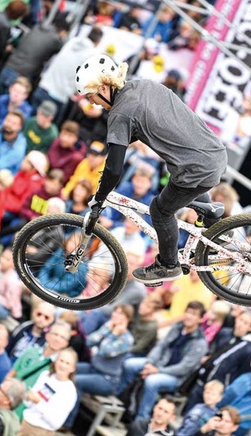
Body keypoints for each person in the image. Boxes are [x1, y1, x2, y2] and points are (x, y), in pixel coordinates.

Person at [76, 54, 227, 284]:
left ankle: (168, 265)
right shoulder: (144, 85)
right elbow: (154, 122)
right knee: (182, 189)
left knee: (160, 210)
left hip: (195, 169)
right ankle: (218, 227)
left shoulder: (120, 113)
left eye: (91, 96)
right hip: (215, 154)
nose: (92, 102)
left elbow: (115, 170)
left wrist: (100, 196)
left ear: (104, 88)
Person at [118, 301, 208, 420]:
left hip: (176, 378)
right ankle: (120, 402)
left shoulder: (200, 343)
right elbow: (160, 346)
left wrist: (157, 370)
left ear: (200, 319)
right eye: (188, 312)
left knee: (152, 382)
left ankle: (141, 419)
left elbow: (184, 368)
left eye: (194, 314)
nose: (189, 316)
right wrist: (149, 363)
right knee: (129, 364)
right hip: (158, 365)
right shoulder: (177, 327)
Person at [65, 305, 135, 428]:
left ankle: (67, 423)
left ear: (127, 319)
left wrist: (113, 334)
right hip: (93, 368)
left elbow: (104, 350)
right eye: (115, 312)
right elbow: (89, 341)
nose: (115, 316)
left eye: (120, 314)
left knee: (76, 382)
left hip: (107, 379)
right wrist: (106, 330)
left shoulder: (127, 339)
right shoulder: (108, 328)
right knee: (67, 368)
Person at [184, 311, 251, 411]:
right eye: (241, 320)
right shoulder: (224, 333)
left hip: (218, 388)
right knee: (190, 409)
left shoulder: (248, 349)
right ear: (236, 319)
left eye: (246, 323)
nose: (241, 324)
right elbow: (213, 348)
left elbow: (242, 371)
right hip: (203, 379)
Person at [34, 27, 104, 117]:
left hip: (43, 86)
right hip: (58, 96)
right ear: (98, 42)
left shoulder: (72, 41)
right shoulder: (92, 54)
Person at [19, 348, 79, 435]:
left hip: (42, 431)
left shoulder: (69, 391)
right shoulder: (45, 375)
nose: (63, 365)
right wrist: (28, 398)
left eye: (67, 363)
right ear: (55, 361)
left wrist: (39, 402)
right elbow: (29, 403)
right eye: (61, 360)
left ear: (73, 368)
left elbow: (56, 422)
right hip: (25, 422)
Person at [0, 248, 24, 321]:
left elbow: (10, 304)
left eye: (7, 260)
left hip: (5, 309)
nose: (3, 261)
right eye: (2, 256)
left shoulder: (12, 281)